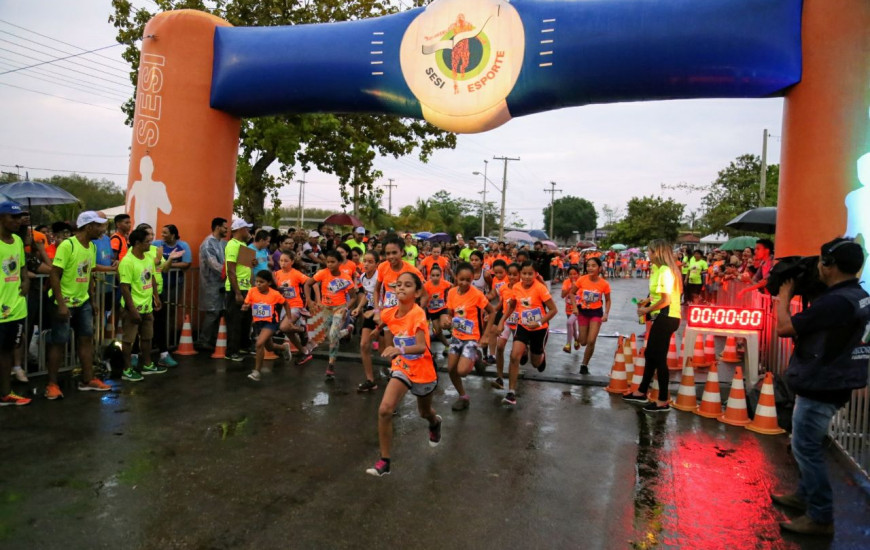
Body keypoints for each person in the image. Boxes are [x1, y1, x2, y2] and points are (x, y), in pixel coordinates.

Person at [771, 238, 869, 536]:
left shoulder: (835, 302)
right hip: (835, 378)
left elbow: (784, 328)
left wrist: (784, 297)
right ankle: (804, 495)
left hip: (822, 381)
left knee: (805, 447)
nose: (817, 266)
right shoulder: (858, 296)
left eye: (820, 261)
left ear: (829, 264)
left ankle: (820, 515)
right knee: (808, 445)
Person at [366, 271, 441, 477]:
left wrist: (398, 349)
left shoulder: (418, 314)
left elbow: (421, 347)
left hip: (423, 370)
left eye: (407, 285)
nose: (401, 288)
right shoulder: (391, 312)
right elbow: (386, 320)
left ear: (417, 293)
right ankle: (385, 460)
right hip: (402, 367)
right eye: (398, 284)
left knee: (424, 412)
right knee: (385, 409)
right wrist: (377, 330)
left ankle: (435, 423)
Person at [45, 211, 113, 398]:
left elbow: (88, 273)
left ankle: (88, 379)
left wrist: (92, 300)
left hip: (82, 302)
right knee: (59, 342)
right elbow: (54, 274)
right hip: (63, 301)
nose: (102, 229)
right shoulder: (68, 245)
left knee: (86, 339)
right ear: (88, 226)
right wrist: (61, 304)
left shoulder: (91, 246)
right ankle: (51, 384)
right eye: (99, 226)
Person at [623, 239, 682, 412]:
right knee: (650, 354)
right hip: (663, 317)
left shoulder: (665, 271)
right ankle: (642, 391)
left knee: (659, 358)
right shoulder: (658, 269)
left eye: (649, 251)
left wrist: (646, 309)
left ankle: (662, 399)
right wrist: (647, 300)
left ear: (657, 252)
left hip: (667, 317)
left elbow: (666, 300)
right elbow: (658, 294)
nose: (647, 254)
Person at [500, 261, 557, 406]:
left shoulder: (540, 288)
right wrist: (502, 321)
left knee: (535, 363)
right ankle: (511, 393)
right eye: (524, 273)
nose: (526, 277)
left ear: (536, 274)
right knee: (514, 356)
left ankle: (541, 355)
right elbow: (511, 306)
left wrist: (538, 323)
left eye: (530, 274)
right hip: (523, 326)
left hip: (539, 329)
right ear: (520, 274)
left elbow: (553, 310)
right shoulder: (517, 287)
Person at [445, 262, 495, 412]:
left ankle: (476, 355)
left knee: (462, 371)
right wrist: (447, 320)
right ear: (456, 277)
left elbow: (492, 312)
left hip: (472, 337)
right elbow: (450, 313)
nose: (465, 283)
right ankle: (463, 397)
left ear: (473, 278)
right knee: (451, 369)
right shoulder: (451, 293)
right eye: (461, 279)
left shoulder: (477, 294)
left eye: (468, 280)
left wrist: (486, 336)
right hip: (456, 336)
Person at [119, 228, 165, 382]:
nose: (150, 245)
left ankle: (147, 364)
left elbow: (152, 277)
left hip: (147, 306)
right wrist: (132, 310)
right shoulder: (127, 261)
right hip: (132, 308)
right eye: (147, 242)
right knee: (128, 340)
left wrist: (156, 297)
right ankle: (127, 369)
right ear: (137, 243)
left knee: (147, 337)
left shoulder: (147, 258)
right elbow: (124, 287)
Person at [304, 249, 357, 379]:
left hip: (340, 308)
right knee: (329, 336)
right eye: (328, 262)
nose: (329, 264)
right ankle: (347, 330)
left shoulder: (345, 278)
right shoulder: (322, 273)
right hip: (325, 309)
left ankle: (331, 364)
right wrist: (309, 300)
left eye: (333, 262)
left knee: (333, 336)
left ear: (339, 263)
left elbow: (353, 298)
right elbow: (307, 284)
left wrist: (346, 309)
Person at [0, 201, 31, 406]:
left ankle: (5, 394)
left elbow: (22, 267)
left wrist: (26, 280)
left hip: (16, 309)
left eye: (20, 217)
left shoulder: (18, 241)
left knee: (7, 352)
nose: (18, 221)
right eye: (13, 217)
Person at [152, 224, 192, 368]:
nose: (162, 235)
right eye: (162, 232)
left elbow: (187, 263)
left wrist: (168, 265)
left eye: (165, 233)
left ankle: (167, 341)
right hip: (158, 285)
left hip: (175, 284)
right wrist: (167, 264)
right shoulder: (156, 244)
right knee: (157, 314)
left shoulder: (183, 245)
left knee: (170, 312)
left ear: (173, 235)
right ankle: (156, 342)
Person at [243, 270, 289, 382]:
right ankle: (284, 347)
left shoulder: (275, 294)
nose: (258, 284)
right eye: (257, 281)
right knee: (269, 347)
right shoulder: (252, 291)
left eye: (261, 282)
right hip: (259, 323)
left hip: (271, 323)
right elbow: (247, 302)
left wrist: (289, 318)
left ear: (269, 283)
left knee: (259, 344)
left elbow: (286, 303)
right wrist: (246, 306)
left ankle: (256, 372)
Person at [573, 257, 611, 375]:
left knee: (591, 340)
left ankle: (584, 365)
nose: (590, 268)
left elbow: (608, 300)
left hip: (596, 313)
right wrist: (575, 307)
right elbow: (571, 293)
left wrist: (606, 313)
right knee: (583, 342)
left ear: (599, 268)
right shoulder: (582, 280)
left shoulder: (604, 284)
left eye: (593, 266)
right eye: (588, 266)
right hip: (583, 312)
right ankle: (577, 338)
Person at [274, 251, 313, 365]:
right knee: (288, 331)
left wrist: (310, 299)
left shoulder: (296, 274)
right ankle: (304, 351)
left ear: (292, 262)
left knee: (284, 327)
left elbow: (312, 282)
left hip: (296, 305)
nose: (283, 263)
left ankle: (302, 330)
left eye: (286, 261)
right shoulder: (276, 274)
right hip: (283, 306)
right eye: (281, 261)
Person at [225, 219, 254, 362]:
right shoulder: (232, 245)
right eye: (246, 229)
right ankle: (231, 351)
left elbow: (247, 268)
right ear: (239, 230)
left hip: (246, 288)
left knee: (245, 320)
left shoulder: (243, 245)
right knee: (235, 321)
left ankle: (243, 346)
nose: (248, 232)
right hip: (236, 289)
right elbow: (231, 270)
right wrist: (237, 292)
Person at [197, 217, 227, 351]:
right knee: (212, 312)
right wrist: (229, 273)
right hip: (211, 283)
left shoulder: (224, 243)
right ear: (217, 227)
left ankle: (215, 339)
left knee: (220, 312)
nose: (227, 230)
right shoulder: (208, 244)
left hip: (222, 283)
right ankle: (204, 340)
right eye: (225, 227)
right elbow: (213, 265)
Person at [491, 262, 521, 391]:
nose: (512, 277)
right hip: (507, 321)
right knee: (499, 347)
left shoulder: (522, 288)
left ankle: (512, 382)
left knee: (516, 354)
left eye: (515, 274)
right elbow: (501, 304)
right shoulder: (503, 288)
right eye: (510, 274)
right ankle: (500, 378)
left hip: (520, 324)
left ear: (519, 275)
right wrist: (492, 311)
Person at [354, 250, 380, 392]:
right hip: (370, 311)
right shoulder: (363, 277)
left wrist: (376, 311)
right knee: (364, 345)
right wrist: (358, 308)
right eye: (365, 261)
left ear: (377, 264)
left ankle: (400, 376)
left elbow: (386, 297)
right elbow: (367, 294)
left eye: (370, 262)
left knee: (385, 349)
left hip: (383, 312)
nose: (366, 264)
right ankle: (370, 380)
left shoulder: (380, 277)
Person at [422, 264, 452, 350]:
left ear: (441, 275)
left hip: (442, 308)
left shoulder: (444, 283)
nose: (435, 277)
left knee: (444, 324)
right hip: (432, 311)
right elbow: (422, 296)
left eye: (437, 275)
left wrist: (450, 298)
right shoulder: (426, 285)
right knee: (437, 332)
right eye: (433, 275)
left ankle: (452, 328)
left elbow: (454, 287)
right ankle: (447, 346)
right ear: (430, 276)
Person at [561, 266, 581, 354]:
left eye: (575, 274)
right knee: (572, 325)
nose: (572, 276)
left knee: (569, 323)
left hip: (578, 308)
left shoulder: (581, 282)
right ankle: (576, 341)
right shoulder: (566, 282)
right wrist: (570, 287)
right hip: (568, 308)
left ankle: (568, 344)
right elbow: (562, 295)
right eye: (570, 274)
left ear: (578, 274)